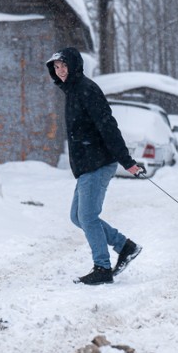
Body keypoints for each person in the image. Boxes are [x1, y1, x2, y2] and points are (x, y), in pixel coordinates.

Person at [46, 47, 143, 285]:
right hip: (87, 164)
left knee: (88, 217)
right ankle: (125, 246)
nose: (60, 71)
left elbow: (108, 125)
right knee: (77, 217)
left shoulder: (87, 90)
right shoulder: (73, 91)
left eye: (63, 66)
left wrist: (127, 161)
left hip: (97, 162)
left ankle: (102, 267)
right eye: (56, 67)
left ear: (74, 65)